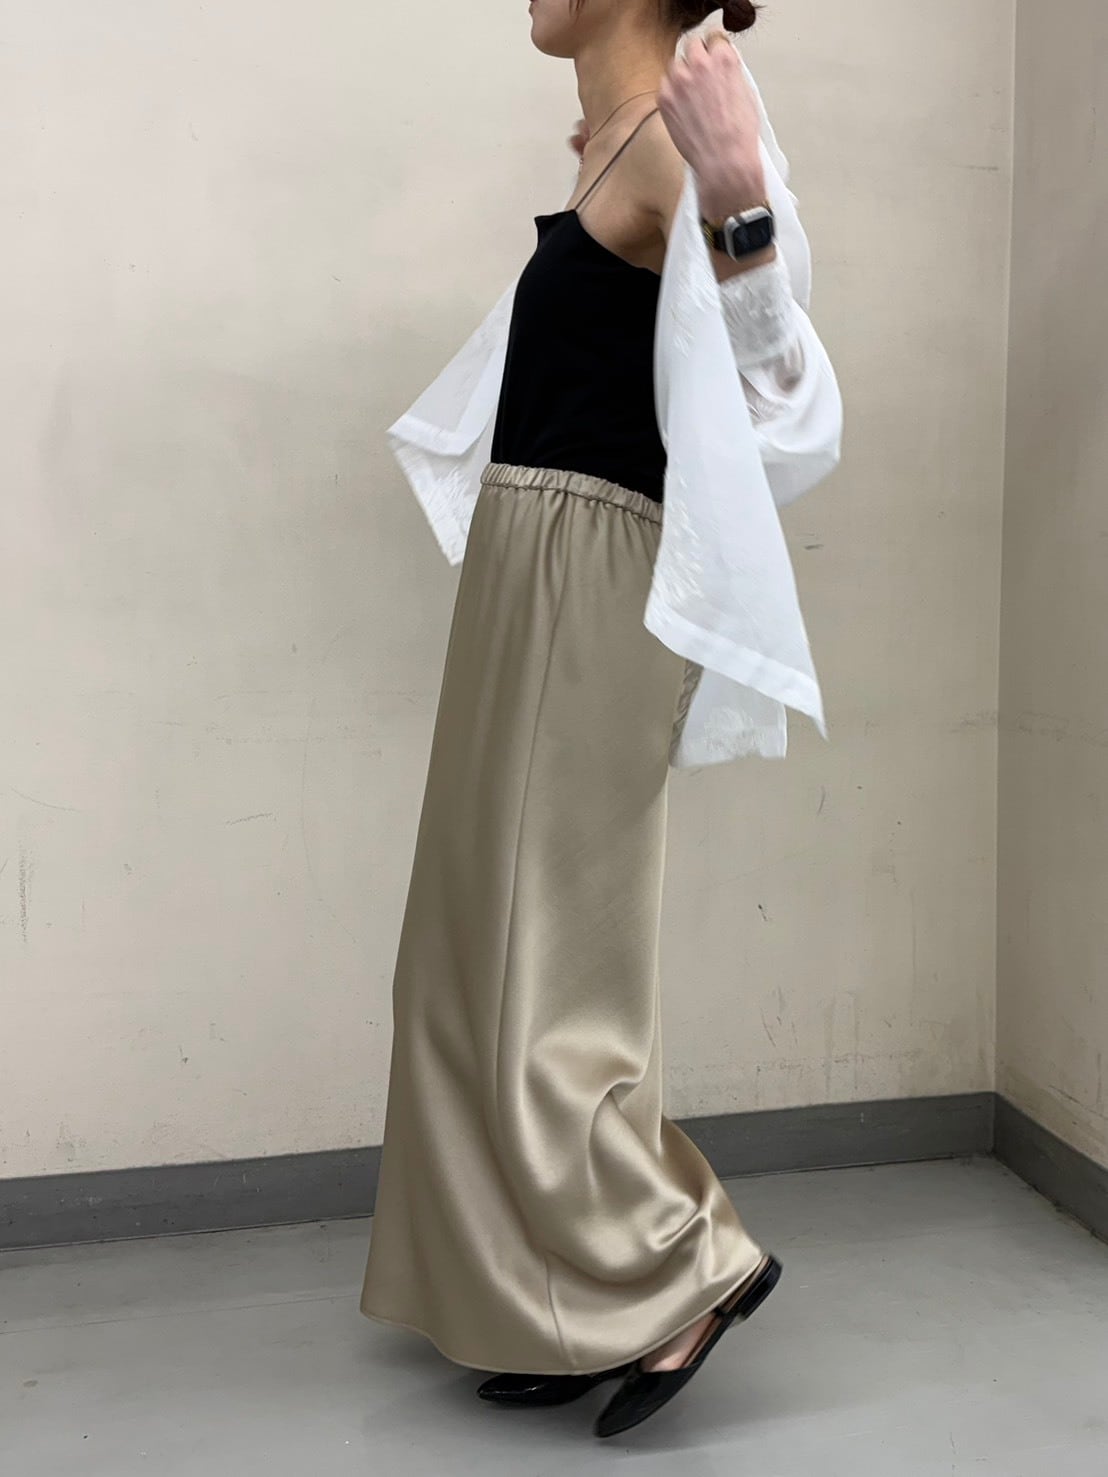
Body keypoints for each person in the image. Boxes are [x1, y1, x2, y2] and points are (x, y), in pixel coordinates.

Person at [360, 0, 842, 1440]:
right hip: (532, 570)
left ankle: (680, 1270)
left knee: (553, 966)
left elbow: (780, 380)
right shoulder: (616, 145)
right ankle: (554, 1293)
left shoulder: (680, 145)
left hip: (595, 578)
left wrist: (739, 192)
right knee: (468, 959)